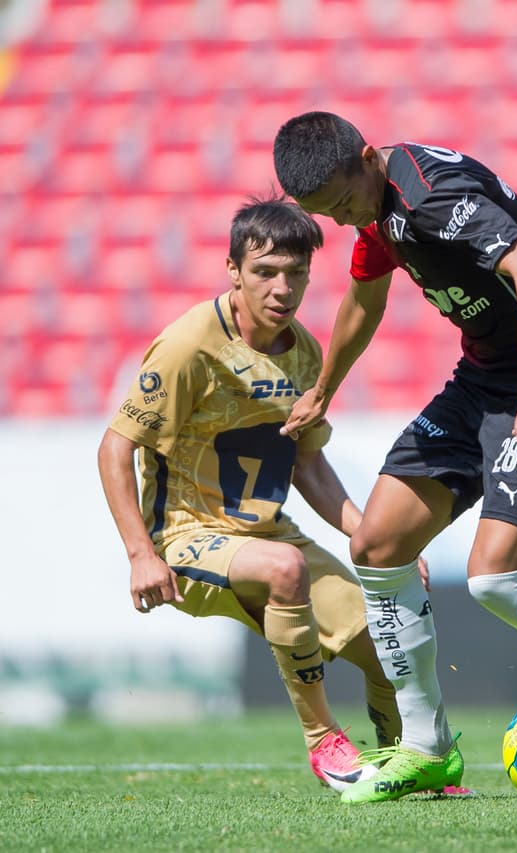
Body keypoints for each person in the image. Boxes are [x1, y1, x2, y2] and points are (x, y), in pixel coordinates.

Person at [271, 111, 517, 804]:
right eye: (327, 214)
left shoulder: (428, 194)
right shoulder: (374, 206)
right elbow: (365, 298)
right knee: (377, 544)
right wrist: (323, 390)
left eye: (343, 204)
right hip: (482, 381)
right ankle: (427, 746)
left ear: (367, 158)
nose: (343, 220)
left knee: (495, 578)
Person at [97, 197, 404, 794]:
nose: (281, 288)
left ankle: (404, 764)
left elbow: (307, 462)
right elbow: (115, 448)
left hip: (268, 533)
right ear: (234, 270)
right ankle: (325, 744)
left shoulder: (309, 353)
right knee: (286, 567)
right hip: (186, 539)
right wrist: (140, 555)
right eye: (265, 272)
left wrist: (371, 539)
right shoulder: (191, 345)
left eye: (295, 274)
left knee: (393, 648)